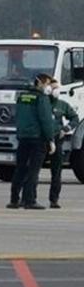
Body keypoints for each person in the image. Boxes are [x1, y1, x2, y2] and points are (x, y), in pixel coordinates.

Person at [9, 74, 58, 209]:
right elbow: (46, 120)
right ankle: (29, 200)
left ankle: (14, 199)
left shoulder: (22, 96)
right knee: (33, 170)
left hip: (23, 137)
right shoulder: (41, 99)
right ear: (40, 83)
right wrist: (50, 139)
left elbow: (17, 116)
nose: (49, 87)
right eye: (48, 84)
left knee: (20, 168)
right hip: (37, 138)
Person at [48, 80, 80, 209]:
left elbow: (75, 118)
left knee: (56, 172)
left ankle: (54, 200)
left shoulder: (62, 105)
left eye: (57, 88)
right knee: (32, 171)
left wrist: (66, 129)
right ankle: (29, 198)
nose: (56, 90)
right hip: (43, 140)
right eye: (53, 87)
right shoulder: (43, 104)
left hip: (57, 140)